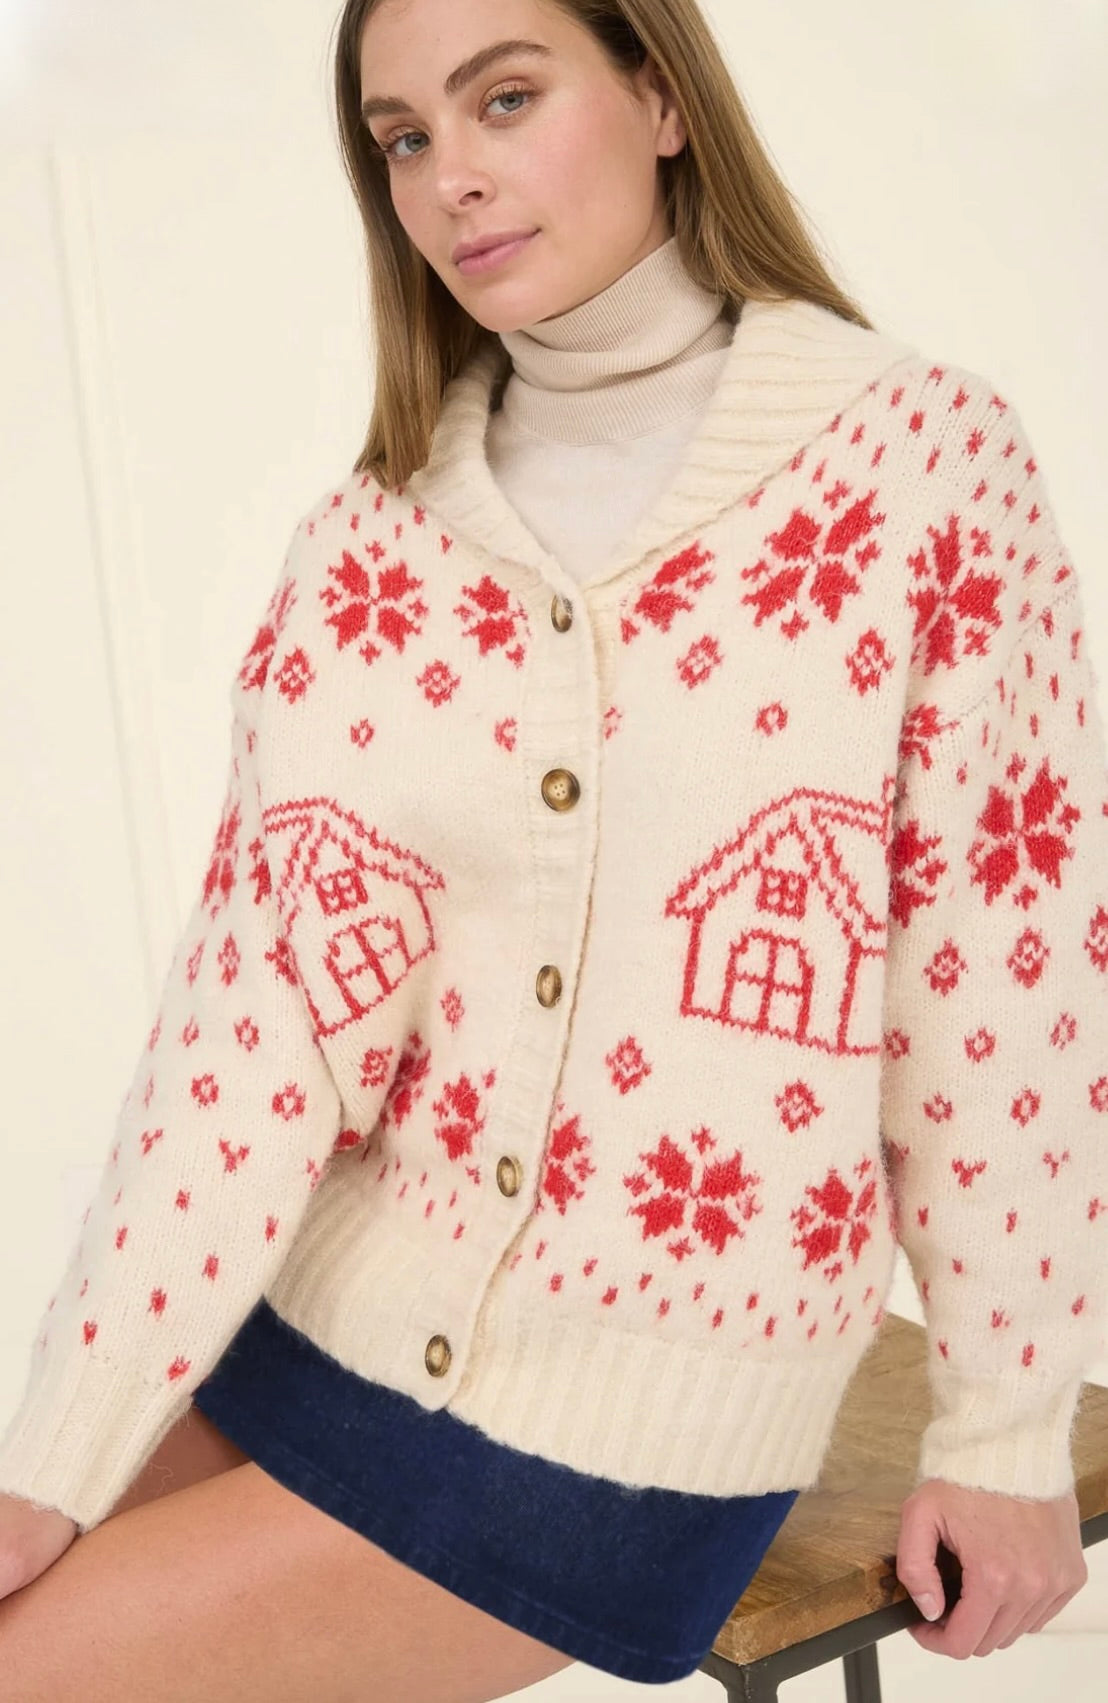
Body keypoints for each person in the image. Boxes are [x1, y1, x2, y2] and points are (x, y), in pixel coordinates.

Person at [0, 0, 1103, 1693]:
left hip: (632, 1426)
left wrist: (1010, 1427)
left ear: (660, 96)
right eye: (404, 138)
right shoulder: (369, 547)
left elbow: (1003, 969)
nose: (450, 179)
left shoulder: (918, 470)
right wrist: (48, 1459)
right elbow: (249, 1030)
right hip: (309, 1328)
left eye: (505, 97)